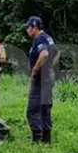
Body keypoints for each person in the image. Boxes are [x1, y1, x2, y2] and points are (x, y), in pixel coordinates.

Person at [25, 16, 56, 144]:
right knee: (45, 108)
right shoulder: (48, 38)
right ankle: (46, 140)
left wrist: (35, 70)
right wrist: (50, 67)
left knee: (32, 110)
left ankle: (37, 140)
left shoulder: (40, 38)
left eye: (28, 27)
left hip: (40, 79)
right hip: (48, 76)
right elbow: (56, 53)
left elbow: (44, 54)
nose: (27, 30)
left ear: (34, 27)